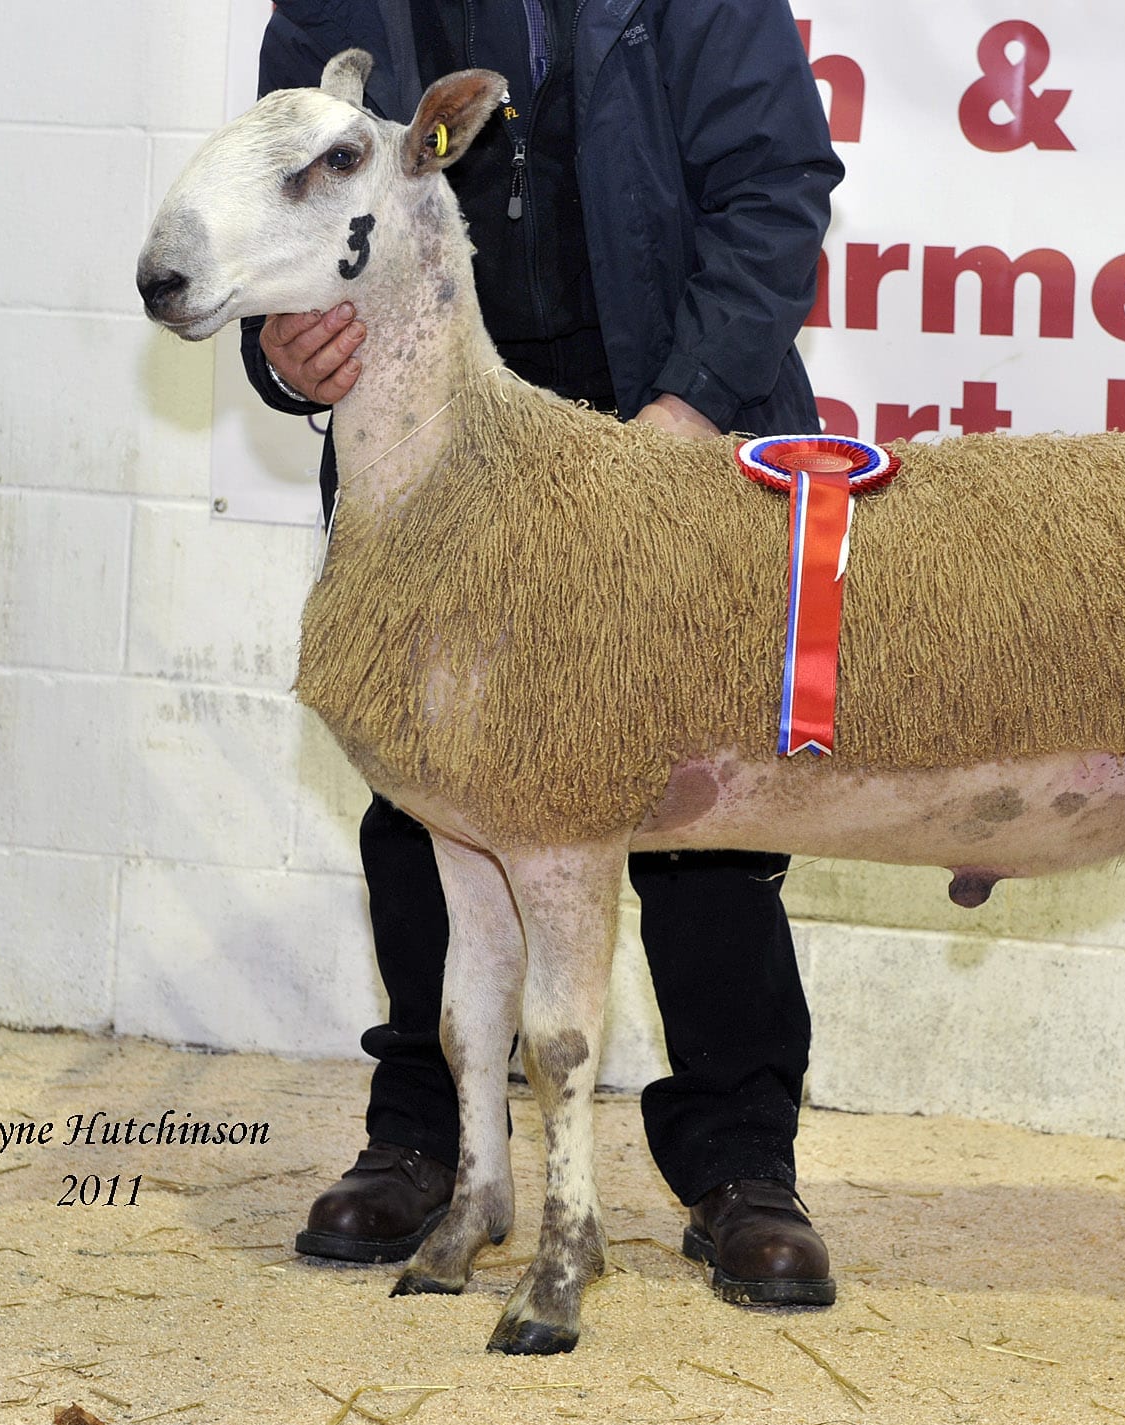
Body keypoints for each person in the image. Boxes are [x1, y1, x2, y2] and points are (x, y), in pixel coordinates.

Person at [240, 0, 843, 1305]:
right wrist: (284, 346)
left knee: (701, 799)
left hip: (662, 400)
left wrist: (680, 419)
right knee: (426, 795)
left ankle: (739, 1159)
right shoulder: (331, 11)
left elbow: (776, 186)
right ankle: (430, 1138)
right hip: (437, 431)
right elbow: (269, 217)